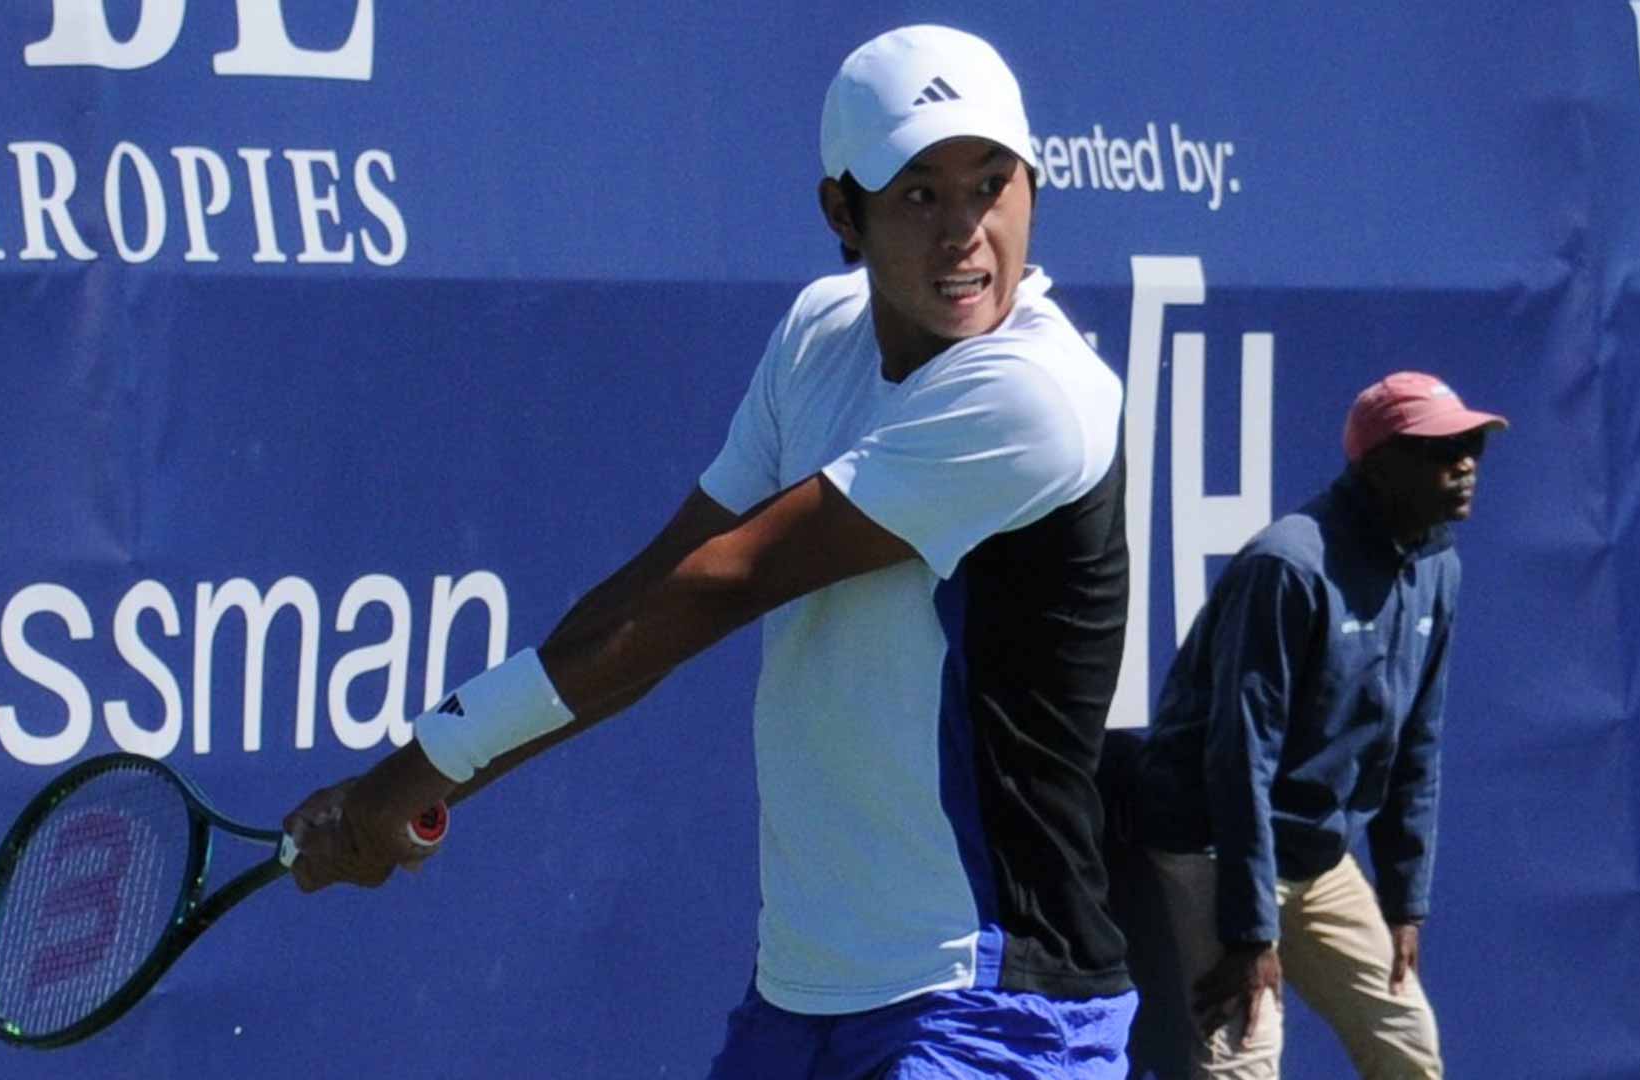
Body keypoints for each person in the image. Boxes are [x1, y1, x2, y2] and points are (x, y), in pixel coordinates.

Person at [283, 24, 1141, 1079]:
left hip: (993, 1003)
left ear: (1032, 189)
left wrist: (415, 772)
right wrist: (430, 780)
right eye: (920, 194)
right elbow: (654, 591)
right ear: (843, 214)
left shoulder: (1033, 398)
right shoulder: (821, 335)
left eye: (990, 186)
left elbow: (717, 589)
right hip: (801, 997)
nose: (965, 232)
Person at [1130, 371, 1507, 1077]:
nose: (1464, 464)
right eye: (1440, 450)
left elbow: (1416, 742)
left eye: (1472, 447)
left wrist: (1404, 903)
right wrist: (1250, 930)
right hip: (1217, 842)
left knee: (1406, 1042)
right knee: (1244, 1053)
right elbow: (1240, 753)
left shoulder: (1437, 566)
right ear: (1378, 466)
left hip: (1316, 853)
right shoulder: (1290, 564)